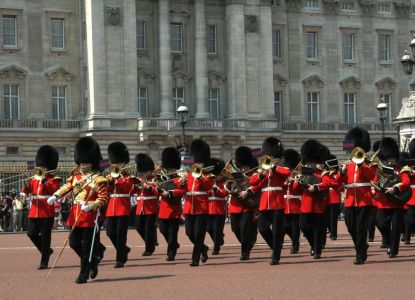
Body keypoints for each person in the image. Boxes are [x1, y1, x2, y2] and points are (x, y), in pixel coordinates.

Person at [48, 137, 108, 284]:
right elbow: (66, 188)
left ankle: (84, 273)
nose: (82, 164)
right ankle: (92, 261)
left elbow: (103, 198)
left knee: (87, 246)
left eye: (85, 161)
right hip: (75, 212)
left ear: (92, 161)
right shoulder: (76, 177)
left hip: (89, 214)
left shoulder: (99, 179)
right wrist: (55, 195)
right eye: (80, 161)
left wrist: (91, 206)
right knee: (74, 243)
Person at [246, 137, 290, 265]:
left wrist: (274, 168)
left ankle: (275, 256)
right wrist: (262, 173)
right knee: (262, 228)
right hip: (265, 203)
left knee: (277, 231)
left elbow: (287, 173)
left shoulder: (280, 167)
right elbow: (252, 181)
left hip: (277, 202)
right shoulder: (263, 170)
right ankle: (275, 247)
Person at [340, 127, 376, 265]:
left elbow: (371, 176)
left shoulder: (368, 163)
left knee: (361, 228)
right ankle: (362, 246)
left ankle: (360, 254)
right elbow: (341, 182)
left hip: (363, 199)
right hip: (350, 200)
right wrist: (342, 172)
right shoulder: (348, 165)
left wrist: (361, 165)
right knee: (350, 226)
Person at [22, 145, 61, 269]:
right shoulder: (34, 178)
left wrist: (44, 182)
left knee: (45, 237)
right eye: (39, 166)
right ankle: (47, 251)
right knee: (31, 233)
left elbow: (54, 190)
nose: (39, 168)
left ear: (48, 167)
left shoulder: (54, 179)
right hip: (34, 211)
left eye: (42, 166)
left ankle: (44, 260)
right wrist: (26, 185)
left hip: (46, 211)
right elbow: (27, 191)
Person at [372, 137, 410, 258]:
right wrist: (374, 190)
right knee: (380, 223)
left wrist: (395, 188)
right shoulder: (380, 171)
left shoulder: (401, 170)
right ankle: (388, 241)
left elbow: (406, 182)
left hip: (396, 202)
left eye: (392, 158)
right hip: (383, 202)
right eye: (388, 159)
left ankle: (393, 250)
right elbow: (374, 183)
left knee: (396, 227)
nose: (390, 161)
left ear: (395, 157)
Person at [295, 140, 330, 259]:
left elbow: (326, 183)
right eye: (308, 163)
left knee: (317, 229)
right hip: (305, 205)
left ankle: (318, 250)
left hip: (317, 205)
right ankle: (313, 245)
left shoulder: (322, 173)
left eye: (312, 163)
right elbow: (296, 188)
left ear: (316, 163)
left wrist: (314, 186)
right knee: (303, 226)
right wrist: (297, 180)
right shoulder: (303, 173)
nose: (310, 165)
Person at [183, 139, 214, 267]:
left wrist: (201, 177)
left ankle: (195, 259)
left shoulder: (208, 175)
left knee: (198, 233)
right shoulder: (188, 175)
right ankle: (203, 248)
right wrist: (181, 182)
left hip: (201, 207)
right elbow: (183, 190)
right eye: (196, 162)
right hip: (189, 207)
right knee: (189, 233)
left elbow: (209, 188)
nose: (197, 164)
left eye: (200, 162)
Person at [105, 142, 134, 268]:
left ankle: (120, 259)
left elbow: (127, 188)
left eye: (118, 163)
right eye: (114, 162)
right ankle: (124, 250)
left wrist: (119, 178)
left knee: (121, 234)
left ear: (124, 163)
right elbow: (106, 191)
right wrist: (110, 182)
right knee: (110, 232)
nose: (115, 165)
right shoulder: (109, 176)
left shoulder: (129, 177)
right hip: (111, 207)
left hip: (123, 207)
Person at [228, 146, 258, 261]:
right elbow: (228, 185)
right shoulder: (234, 175)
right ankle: (248, 243)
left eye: (245, 167)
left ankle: (245, 252)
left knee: (244, 229)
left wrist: (247, 190)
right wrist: (233, 189)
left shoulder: (252, 176)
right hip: (235, 206)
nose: (244, 169)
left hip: (247, 206)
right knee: (235, 229)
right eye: (242, 167)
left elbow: (256, 187)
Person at [158, 147, 185, 261]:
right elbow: (156, 189)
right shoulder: (162, 179)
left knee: (172, 232)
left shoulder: (179, 179)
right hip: (163, 209)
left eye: (172, 168)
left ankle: (171, 253)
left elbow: (182, 191)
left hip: (174, 209)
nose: (170, 170)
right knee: (163, 230)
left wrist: (169, 193)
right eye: (168, 169)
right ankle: (174, 244)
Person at [132, 153, 159, 256]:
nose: (145, 173)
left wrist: (148, 187)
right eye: (143, 171)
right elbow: (131, 192)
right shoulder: (138, 179)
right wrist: (135, 187)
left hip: (151, 207)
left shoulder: (155, 179)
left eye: (146, 171)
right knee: (138, 227)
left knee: (149, 228)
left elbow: (158, 192)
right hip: (140, 207)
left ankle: (149, 249)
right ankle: (151, 241)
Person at [282, 149, 302, 254]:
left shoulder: (298, 175)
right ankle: (294, 240)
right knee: (285, 226)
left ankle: (295, 244)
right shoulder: (284, 175)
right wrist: (285, 182)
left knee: (295, 228)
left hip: (295, 204)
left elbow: (296, 189)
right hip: (285, 204)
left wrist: (295, 180)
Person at [206, 157, 228, 255]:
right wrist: (211, 190)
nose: (219, 176)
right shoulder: (208, 182)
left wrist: (217, 190)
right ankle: (219, 239)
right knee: (209, 228)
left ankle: (216, 248)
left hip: (219, 210)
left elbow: (225, 193)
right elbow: (205, 192)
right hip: (208, 209)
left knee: (216, 230)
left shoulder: (222, 184)